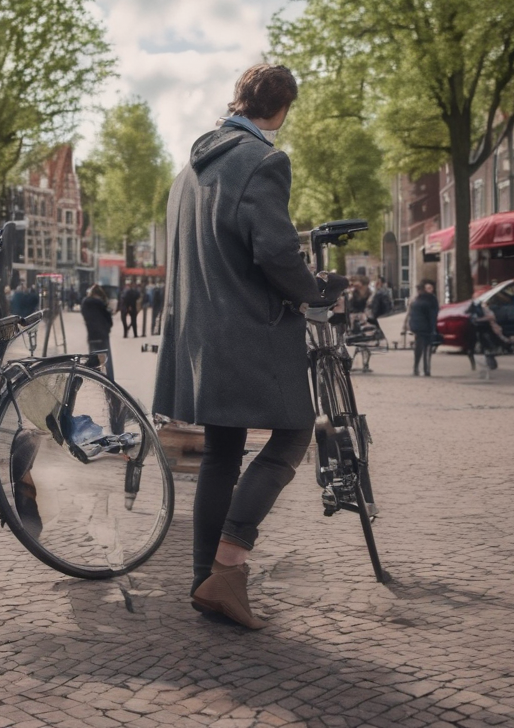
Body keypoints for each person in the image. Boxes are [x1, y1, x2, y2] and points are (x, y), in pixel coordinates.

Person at [153, 63, 346, 629]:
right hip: (245, 332)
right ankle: (230, 561)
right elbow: (276, 252)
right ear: (281, 109)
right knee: (294, 432)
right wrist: (312, 292)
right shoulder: (263, 161)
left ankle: (204, 581)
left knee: (222, 451)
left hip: (198, 334)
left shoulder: (188, 170)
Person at [404, 281, 438, 376]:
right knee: (426, 347)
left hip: (418, 327)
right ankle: (426, 369)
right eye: (428, 288)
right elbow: (433, 315)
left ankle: (417, 368)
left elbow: (412, 313)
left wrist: (410, 324)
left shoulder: (417, 299)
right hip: (425, 327)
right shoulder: (430, 299)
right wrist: (433, 328)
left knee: (419, 347)